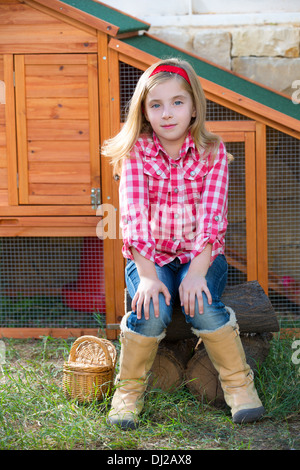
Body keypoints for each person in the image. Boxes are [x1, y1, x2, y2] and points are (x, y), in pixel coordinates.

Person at [102, 58, 265, 430]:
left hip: (201, 256)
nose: (167, 113)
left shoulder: (213, 153)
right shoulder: (136, 154)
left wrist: (197, 273)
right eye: (156, 104)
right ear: (144, 111)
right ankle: (128, 392)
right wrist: (145, 276)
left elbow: (212, 221)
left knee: (203, 307)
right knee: (151, 310)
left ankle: (239, 386)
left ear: (194, 107)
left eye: (178, 102)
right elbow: (133, 219)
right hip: (150, 258)